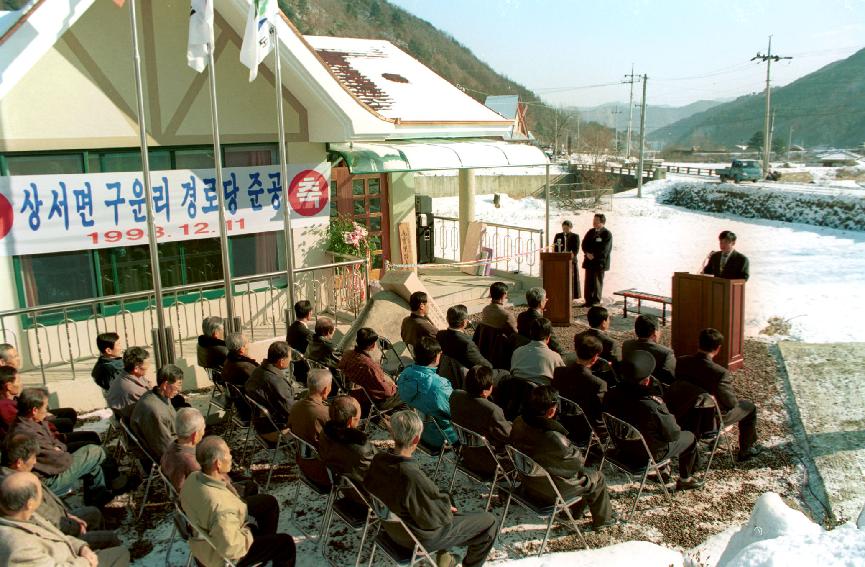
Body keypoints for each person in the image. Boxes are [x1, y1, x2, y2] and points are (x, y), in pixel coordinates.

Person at [365, 410, 497, 567]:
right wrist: (445, 509)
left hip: (394, 528)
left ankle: (445, 557)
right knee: (490, 523)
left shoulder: (379, 460)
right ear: (416, 438)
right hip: (417, 538)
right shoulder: (410, 475)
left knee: (445, 495)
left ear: (393, 434)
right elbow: (435, 519)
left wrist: (442, 504)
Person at [509, 386, 614, 530]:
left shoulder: (519, 421)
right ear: (551, 411)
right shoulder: (553, 438)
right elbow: (577, 464)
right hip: (550, 491)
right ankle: (603, 521)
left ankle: (576, 511)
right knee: (597, 477)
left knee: (579, 474)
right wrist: (573, 448)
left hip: (528, 480)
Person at [180, 437, 295, 567]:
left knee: (269, 503)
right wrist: (247, 533)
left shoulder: (193, 479)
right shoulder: (221, 508)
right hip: (221, 557)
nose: (231, 455)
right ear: (218, 463)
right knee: (286, 544)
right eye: (228, 453)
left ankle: (262, 555)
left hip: (205, 540)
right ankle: (262, 554)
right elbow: (232, 549)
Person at [2, 435, 123, 551]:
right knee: (111, 539)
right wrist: (75, 528)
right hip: (56, 538)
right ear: (19, 462)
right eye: (33, 458)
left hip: (62, 519)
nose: (34, 462)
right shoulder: (19, 486)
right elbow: (49, 520)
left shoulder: (13, 475)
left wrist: (68, 515)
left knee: (94, 513)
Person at [604, 351, 702, 490]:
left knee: (654, 434)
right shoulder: (652, 405)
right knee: (690, 437)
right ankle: (685, 479)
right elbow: (673, 435)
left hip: (622, 447)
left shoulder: (611, 394)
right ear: (646, 380)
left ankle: (662, 471)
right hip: (647, 454)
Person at [0, 471, 130, 566]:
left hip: (71, 554)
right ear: (30, 503)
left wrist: (81, 547)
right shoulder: (19, 548)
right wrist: (85, 561)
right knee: (122, 553)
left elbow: (56, 536)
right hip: (73, 562)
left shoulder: (23, 515)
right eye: (41, 493)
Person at [7, 388, 112, 503]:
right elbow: (60, 461)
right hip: (48, 481)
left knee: (93, 464)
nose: (47, 410)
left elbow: (55, 441)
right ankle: (111, 485)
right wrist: (60, 451)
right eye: (45, 407)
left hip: (53, 465)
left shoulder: (32, 422)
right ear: (34, 410)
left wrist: (58, 448)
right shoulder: (28, 434)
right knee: (95, 452)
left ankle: (99, 497)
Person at [672, 328, 760, 461]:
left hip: (682, 414)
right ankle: (746, 450)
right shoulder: (719, 373)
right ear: (718, 348)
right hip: (707, 422)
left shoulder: (681, 361)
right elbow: (730, 404)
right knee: (749, 408)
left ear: (699, 343)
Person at [0, 344, 79, 434]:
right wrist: (42, 416)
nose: (18, 359)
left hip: (32, 413)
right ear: (2, 362)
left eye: (18, 355)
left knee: (69, 413)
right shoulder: (4, 391)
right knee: (65, 423)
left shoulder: (13, 376)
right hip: (30, 423)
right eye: (15, 357)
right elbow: (20, 421)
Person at [449, 366, 511, 476]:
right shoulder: (492, 410)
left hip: (466, 455)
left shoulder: (456, 396)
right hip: (489, 463)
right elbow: (508, 436)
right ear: (485, 391)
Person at [397, 337, 457, 450]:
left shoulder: (405, 374)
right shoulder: (439, 386)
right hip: (443, 438)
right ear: (435, 357)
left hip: (417, 431)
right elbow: (455, 412)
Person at [552, 334, 607, 432]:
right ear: (594, 358)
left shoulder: (559, 371)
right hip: (584, 429)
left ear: (576, 351)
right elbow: (598, 416)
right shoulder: (598, 384)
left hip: (562, 422)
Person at [245, 341, 298, 443]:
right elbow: (290, 412)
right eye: (289, 357)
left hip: (260, 424)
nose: (290, 360)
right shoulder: (275, 381)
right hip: (275, 430)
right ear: (281, 361)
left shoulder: (258, 370)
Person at [338, 328, 402, 410]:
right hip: (367, 400)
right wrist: (393, 386)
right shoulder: (370, 366)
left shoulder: (347, 354)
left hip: (349, 393)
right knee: (403, 395)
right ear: (372, 345)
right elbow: (387, 392)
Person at [318, 395, 375, 487]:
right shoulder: (362, 450)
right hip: (361, 494)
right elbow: (375, 474)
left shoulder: (324, 433)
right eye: (358, 418)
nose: (359, 420)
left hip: (339, 485)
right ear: (350, 421)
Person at [130, 364, 182, 461]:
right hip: (166, 455)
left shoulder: (155, 393)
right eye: (178, 384)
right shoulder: (156, 412)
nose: (180, 389)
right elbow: (165, 448)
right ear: (166, 385)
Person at [160, 407, 206, 493]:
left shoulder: (171, 446)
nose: (203, 433)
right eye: (203, 429)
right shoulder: (191, 462)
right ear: (195, 435)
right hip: (191, 499)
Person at [621, 314, 676, 386]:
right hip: (654, 392)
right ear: (655, 332)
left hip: (629, 386)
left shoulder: (627, 345)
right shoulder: (666, 353)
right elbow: (670, 378)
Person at [510, 318, 565, 382]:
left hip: (517, 390)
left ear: (531, 333)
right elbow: (564, 379)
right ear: (548, 337)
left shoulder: (517, 352)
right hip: (541, 391)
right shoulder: (555, 357)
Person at [286, 368, 331, 447]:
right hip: (319, 455)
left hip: (300, 452)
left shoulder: (295, 406)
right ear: (325, 389)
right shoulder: (325, 413)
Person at [107, 346, 152, 420]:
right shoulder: (133, 390)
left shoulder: (127, 374)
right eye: (146, 366)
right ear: (136, 368)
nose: (148, 366)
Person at [516, 288, 564, 354]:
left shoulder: (521, 316)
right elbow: (553, 343)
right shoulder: (542, 322)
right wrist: (564, 354)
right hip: (539, 353)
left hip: (524, 351)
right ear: (541, 303)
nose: (547, 300)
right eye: (545, 298)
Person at [222, 333, 257, 421]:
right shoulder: (245, 366)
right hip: (250, 406)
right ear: (241, 349)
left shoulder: (229, 360)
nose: (248, 346)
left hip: (240, 404)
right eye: (247, 344)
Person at [580, 213, 613, 308]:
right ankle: (588, 301)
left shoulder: (607, 234)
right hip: (589, 261)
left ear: (602, 222)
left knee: (597, 282)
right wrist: (587, 253)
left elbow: (605, 249)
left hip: (599, 263)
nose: (593, 222)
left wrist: (594, 255)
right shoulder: (590, 232)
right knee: (588, 281)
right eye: (593, 220)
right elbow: (584, 243)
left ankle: (596, 301)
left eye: (596, 220)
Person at [286, 300, 314, 385]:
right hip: (305, 371)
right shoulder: (306, 333)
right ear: (309, 313)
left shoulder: (291, 327)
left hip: (296, 368)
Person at [552, 220, 581, 300]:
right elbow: (555, 247)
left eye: (567, 228)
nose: (565, 230)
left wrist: (570, 255)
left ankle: (572, 295)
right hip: (560, 260)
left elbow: (576, 250)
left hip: (570, 261)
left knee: (571, 278)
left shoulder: (575, 236)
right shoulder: (558, 235)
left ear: (570, 228)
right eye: (564, 228)